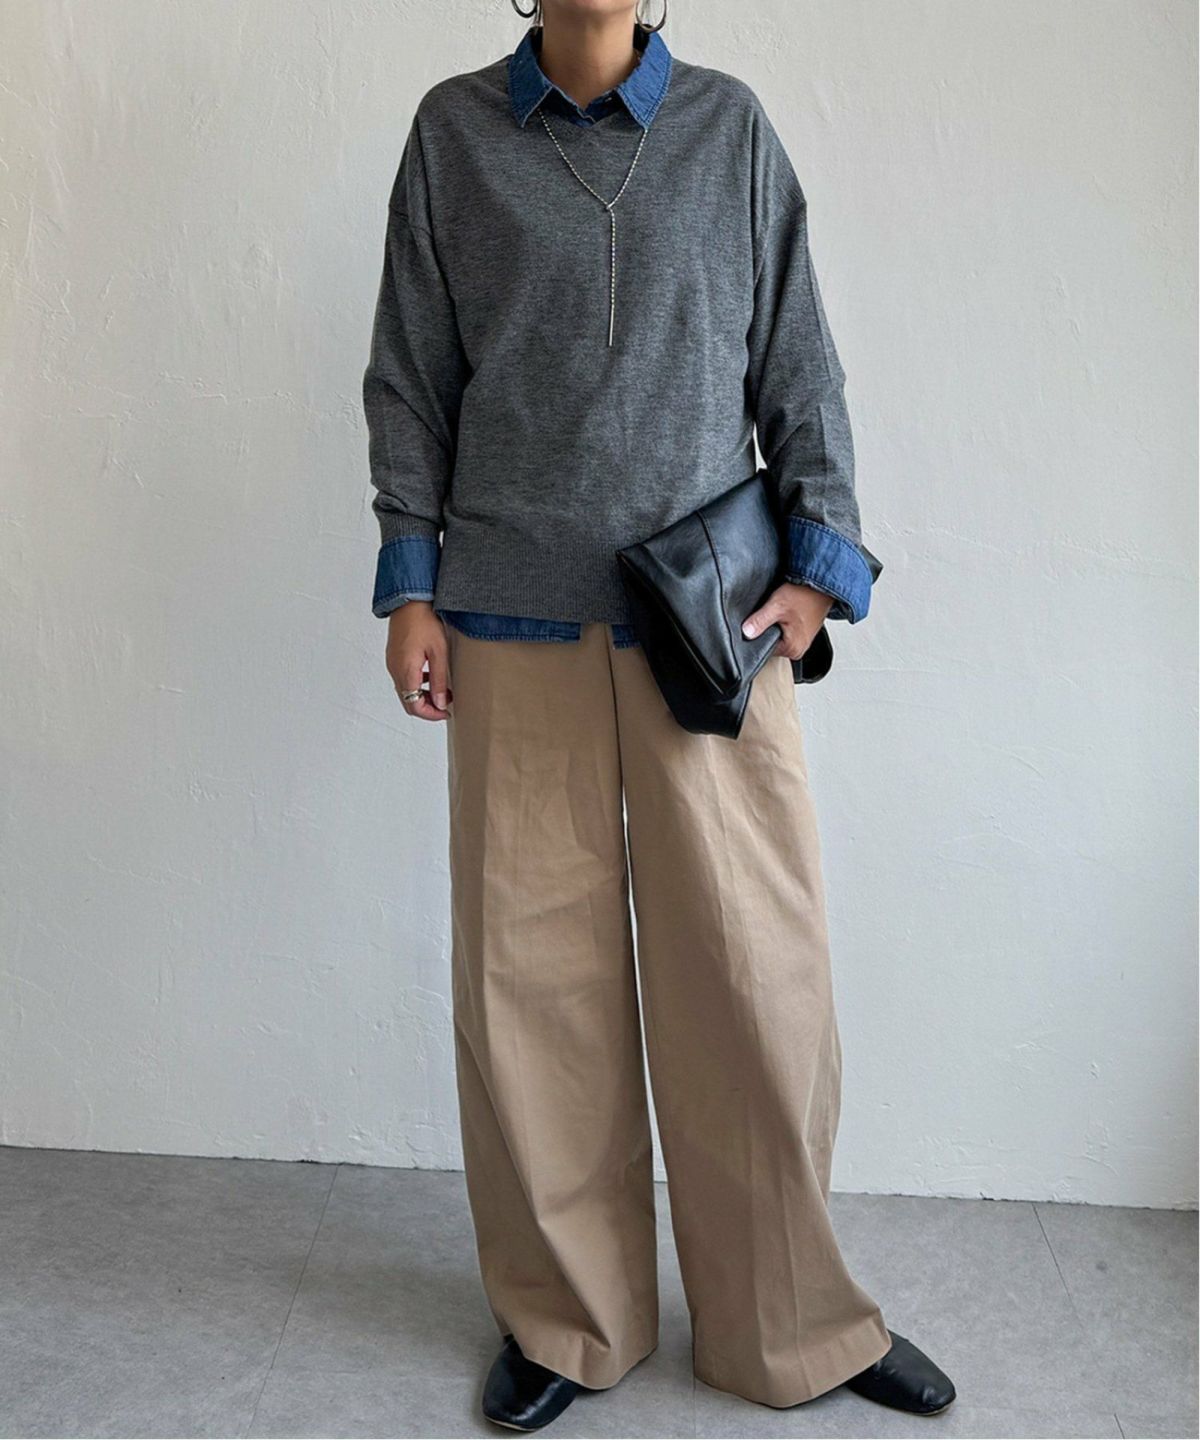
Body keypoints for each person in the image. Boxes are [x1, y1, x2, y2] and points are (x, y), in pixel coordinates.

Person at [362, 0, 956, 1429]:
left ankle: (793, 1322)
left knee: (757, 976)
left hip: (712, 626)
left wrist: (818, 569)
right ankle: (571, 1322)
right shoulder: (454, 136)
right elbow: (410, 380)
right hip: (510, 615)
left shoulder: (728, 130)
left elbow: (798, 361)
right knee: (531, 987)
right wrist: (410, 587)